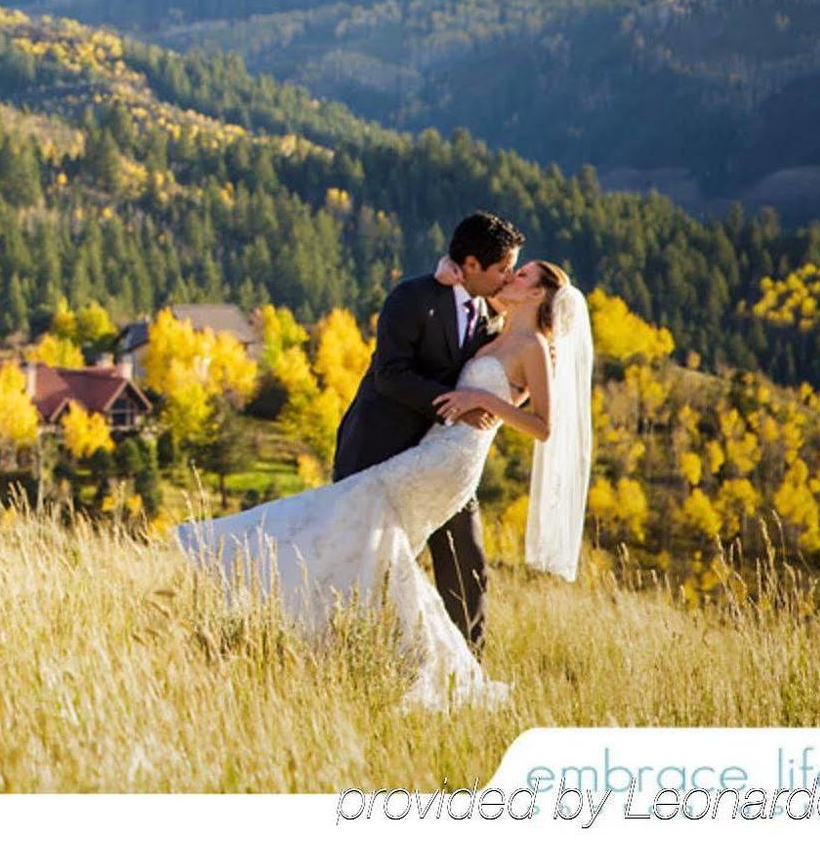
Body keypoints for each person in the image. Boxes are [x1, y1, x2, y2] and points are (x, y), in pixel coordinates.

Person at [173, 247, 594, 710]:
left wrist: (482, 399)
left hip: (452, 460)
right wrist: (443, 274)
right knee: (378, 543)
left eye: (524, 273)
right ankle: (390, 655)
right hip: (434, 446)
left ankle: (244, 564)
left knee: (359, 504)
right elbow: (460, 305)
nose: (512, 276)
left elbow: (543, 427)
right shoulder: (494, 330)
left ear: (538, 292)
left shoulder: (533, 346)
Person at [334, 212, 524, 647]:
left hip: (445, 460)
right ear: (471, 265)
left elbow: (509, 376)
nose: (509, 277)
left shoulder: (492, 317)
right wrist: (457, 408)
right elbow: (390, 375)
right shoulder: (412, 298)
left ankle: (467, 667)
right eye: (503, 269)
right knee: (366, 564)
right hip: (378, 451)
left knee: (466, 563)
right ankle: (354, 653)